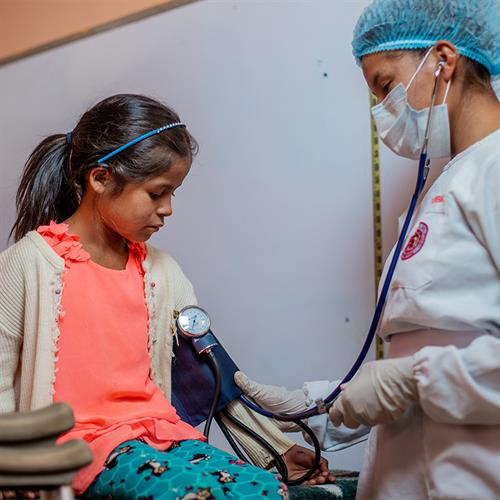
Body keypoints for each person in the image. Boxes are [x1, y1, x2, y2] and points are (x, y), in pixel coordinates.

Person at [0, 94, 333, 499]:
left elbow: (209, 373)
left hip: (162, 436)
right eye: (157, 193)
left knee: (261, 490)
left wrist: (272, 450)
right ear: (101, 179)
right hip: (78, 451)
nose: (168, 209)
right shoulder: (28, 264)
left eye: (174, 192)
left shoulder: (163, 273)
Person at [236, 0, 500, 498]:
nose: (383, 109)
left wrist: (410, 380)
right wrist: (316, 405)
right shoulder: (447, 182)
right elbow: (426, 353)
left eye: (385, 85)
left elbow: (416, 375)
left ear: (444, 60)